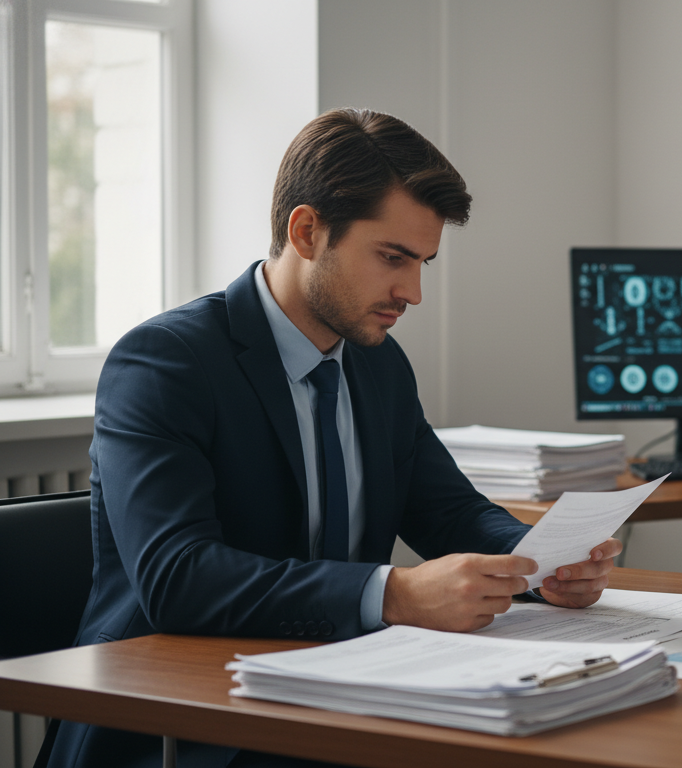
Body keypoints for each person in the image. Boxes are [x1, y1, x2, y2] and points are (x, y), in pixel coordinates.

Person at [46, 109, 619, 768]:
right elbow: (178, 578)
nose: (414, 291)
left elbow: (445, 510)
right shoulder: (165, 363)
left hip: (335, 699)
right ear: (308, 231)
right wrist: (395, 595)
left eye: (424, 262)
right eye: (393, 258)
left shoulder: (376, 362)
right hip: (179, 724)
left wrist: (538, 561)